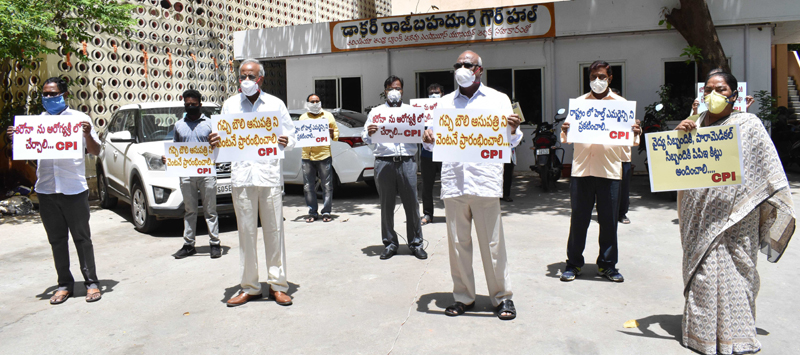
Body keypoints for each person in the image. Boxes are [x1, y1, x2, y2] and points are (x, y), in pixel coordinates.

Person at [674, 71, 795, 355]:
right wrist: (680, 135)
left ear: (734, 95)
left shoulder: (748, 124)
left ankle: (739, 338)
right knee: (703, 271)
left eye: (721, 89)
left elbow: (767, 167)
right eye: (708, 90)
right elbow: (678, 167)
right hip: (700, 215)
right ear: (702, 95)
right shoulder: (695, 124)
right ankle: (701, 336)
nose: (714, 94)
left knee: (739, 271)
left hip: (739, 217)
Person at [422, 50, 521, 320]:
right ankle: (463, 297)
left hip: (484, 182)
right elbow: (431, 142)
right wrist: (428, 137)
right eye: (458, 64)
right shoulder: (443, 104)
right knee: (457, 244)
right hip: (454, 182)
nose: (461, 68)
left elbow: (512, 142)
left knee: (493, 244)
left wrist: (513, 129)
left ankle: (502, 298)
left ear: (479, 70)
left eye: (467, 64)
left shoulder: (499, 100)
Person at [6, 77, 102, 304]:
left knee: (82, 238)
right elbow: (27, 154)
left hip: (73, 189)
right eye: (45, 94)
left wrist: (87, 134)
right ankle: (64, 284)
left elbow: (97, 151)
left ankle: (91, 283)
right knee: (57, 240)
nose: (48, 98)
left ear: (64, 95)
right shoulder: (36, 124)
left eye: (53, 93)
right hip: (46, 190)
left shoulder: (80, 120)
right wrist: (16, 140)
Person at [209, 59, 296, 307]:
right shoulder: (229, 105)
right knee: (246, 234)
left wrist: (284, 140)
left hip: (268, 177)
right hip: (242, 178)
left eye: (252, 76)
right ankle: (250, 287)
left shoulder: (275, 104)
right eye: (243, 76)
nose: (246, 80)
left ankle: (278, 285)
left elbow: (292, 136)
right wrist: (214, 141)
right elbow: (222, 140)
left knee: (274, 233)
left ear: (261, 78)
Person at [559, 61, 641, 283]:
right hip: (582, 170)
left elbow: (629, 143)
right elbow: (567, 137)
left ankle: (607, 265)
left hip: (610, 170)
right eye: (594, 77)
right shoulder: (578, 104)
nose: (598, 81)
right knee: (579, 220)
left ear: (610, 78)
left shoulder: (622, 105)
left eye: (602, 77)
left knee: (608, 221)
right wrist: (565, 130)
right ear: (589, 79)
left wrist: (635, 132)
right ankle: (573, 264)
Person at [362, 75, 427, 260]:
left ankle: (416, 243)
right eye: (390, 88)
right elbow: (365, 137)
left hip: (407, 161)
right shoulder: (376, 112)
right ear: (385, 91)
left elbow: (423, 134)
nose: (394, 91)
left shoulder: (413, 111)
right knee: (386, 205)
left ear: (402, 91)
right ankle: (390, 243)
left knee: (412, 204)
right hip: (384, 162)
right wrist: (369, 132)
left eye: (397, 88)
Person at [161, 89, 221, 259]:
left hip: (207, 173)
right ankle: (189, 244)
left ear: (200, 105)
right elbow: (176, 148)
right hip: (186, 174)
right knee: (190, 210)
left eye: (193, 104)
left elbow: (220, 148)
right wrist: (170, 159)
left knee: (210, 210)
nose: (190, 107)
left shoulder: (211, 124)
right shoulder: (179, 125)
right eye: (187, 104)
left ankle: (215, 243)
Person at [300, 93, 339, 223]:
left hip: (324, 155)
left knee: (327, 186)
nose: (315, 104)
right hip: (307, 156)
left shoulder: (328, 116)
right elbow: (299, 135)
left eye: (317, 101)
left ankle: (326, 212)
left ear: (320, 102)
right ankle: (312, 212)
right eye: (312, 101)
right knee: (308, 187)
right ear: (308, 104)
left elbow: (336, 134)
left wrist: (332, 133)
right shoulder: (303, 118)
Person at [420, 83, 443, 225]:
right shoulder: (421, 111)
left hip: (444, 153)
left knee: (449, 184)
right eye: (431, 93)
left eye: (437, 92)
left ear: (442, 94)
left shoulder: (448, 109)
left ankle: (454, 213)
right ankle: (428, 214)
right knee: (426, 186)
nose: (434, 95)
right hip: (427, 154)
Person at [611, 88, 632, 224]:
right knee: (605, 189)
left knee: (623, 188)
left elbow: (635, 137)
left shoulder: (627, 116)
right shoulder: (599, 117)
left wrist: (637, 129)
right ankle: (605, 214)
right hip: (605, 158)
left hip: (623, 157)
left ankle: (622, 213)